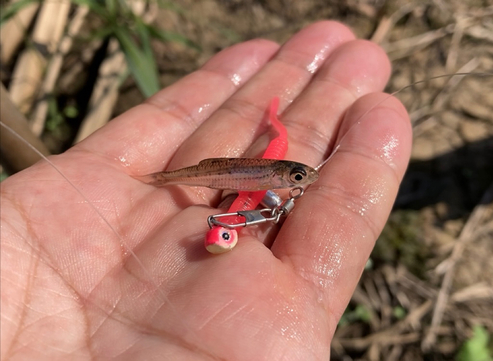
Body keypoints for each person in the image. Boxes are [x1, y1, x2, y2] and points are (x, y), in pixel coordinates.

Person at [1, 21, 411, 360]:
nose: (299, 182)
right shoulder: (271, 178)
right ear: (286, 178)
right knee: (190, 174)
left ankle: (166, 179)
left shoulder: (274, 178)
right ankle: (164, 179)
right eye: (299, 178)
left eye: (297, 179)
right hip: (218, 174)